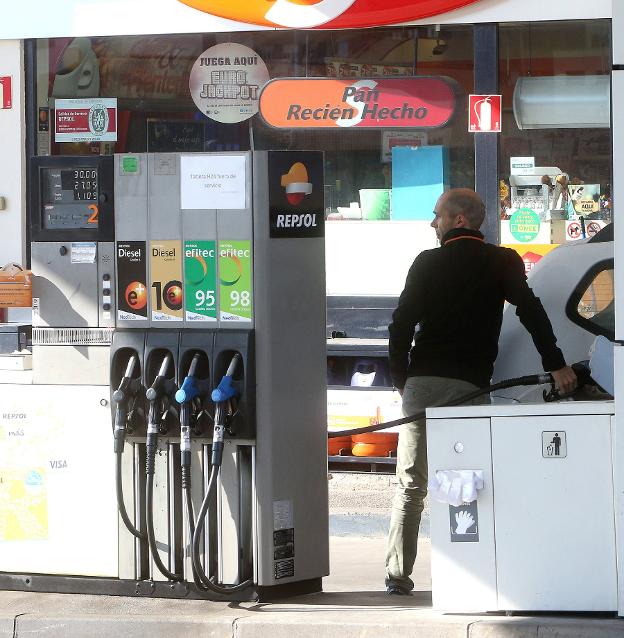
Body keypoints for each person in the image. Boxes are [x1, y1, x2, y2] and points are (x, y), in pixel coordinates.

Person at [385, 188, 577, 596]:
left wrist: (402, 379)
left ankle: (398, 577)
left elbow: (401, 323)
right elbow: (531, 310)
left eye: (437, 215)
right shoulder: (501, 261)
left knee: (411, 484)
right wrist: (555, 363)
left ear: (458, 220)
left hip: (422, 383)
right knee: (463, 480)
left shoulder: (426, 262)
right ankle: (469, 574)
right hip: (469, 387)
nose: (432, 223)